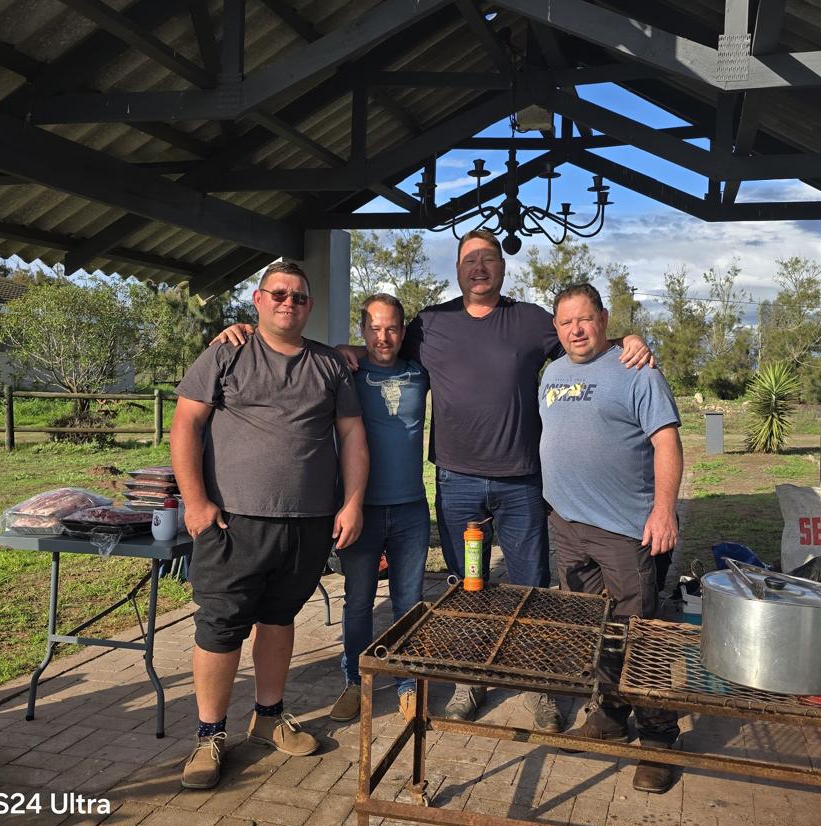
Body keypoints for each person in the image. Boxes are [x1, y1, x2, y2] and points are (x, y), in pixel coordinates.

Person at [214, 228, 652, 733]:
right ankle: (469, 679)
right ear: (458, 269)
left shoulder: (533, 320)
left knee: (530, 586)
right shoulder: (431, 323)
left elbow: (586, 342)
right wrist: (297, 340)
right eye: (469, 260)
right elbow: (382, 344)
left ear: (502, 266)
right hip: (457, 482)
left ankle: (539, 685)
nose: (479, 268)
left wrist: (629, 341)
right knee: (468, 588)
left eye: (488, 258)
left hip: (521, 483)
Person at [172, 260, 369, 790]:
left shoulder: (329, 364)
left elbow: (351, 436)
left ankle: (268, 716)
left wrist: (351, 503)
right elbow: (186, 423)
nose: (289, 302)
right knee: (220, 626)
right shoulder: (227, 353)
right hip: (233, 521)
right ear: (258, 300)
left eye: (299, 296)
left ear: (309, 305)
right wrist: (195, 502)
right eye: (278, 294)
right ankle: (209, 735)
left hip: (307, 522)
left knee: (280, 618)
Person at [538, 282, 684, 794]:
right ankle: (610, 716)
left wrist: (663, 510)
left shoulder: (636, 369)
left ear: (603, 319)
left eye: (585, 319)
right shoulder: (551, 374)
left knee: (640, 634)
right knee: (595, 628)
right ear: (556, 329)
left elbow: (667, 442)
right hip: (568, 527)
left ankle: (660, 739)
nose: (576, 330)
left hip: (625, 530)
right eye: (566, 322)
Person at [327, 293, 430, 725]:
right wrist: (341, 350)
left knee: (409, 601)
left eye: (391, 328)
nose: (382, 337)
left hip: (410, 509)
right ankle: (355, 681)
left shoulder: (420, 372)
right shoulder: (347, 372)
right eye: (374, 328)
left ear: (403, 332)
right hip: (360, 508)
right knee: (358, 601)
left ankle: (407, 682)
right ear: (362, 330)